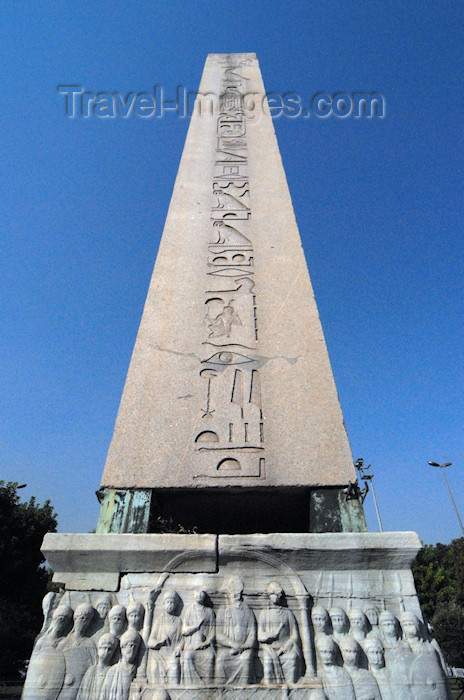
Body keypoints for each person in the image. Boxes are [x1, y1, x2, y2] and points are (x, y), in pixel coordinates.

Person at [257, 581, 304, 685]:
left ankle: (291, 687)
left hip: (285, 648)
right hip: (270, 649)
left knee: (292, 658)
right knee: (268, 661)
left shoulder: (288, 613)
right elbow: (260, 635)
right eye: (272, 594)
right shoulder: (264, 613)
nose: (275, 597)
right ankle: (270, 689)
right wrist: (272, 635)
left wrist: (286, 646)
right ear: (269, 596)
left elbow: (295, 635)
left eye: (277, 594)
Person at [215, 577, 257, 685]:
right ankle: (220, 691)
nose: (233, 594)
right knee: (220, 660)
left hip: (244, 649)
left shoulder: (248, 611)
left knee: (245, 660)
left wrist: (242, 647)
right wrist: (232, 644)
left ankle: (243, 692)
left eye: (236, 592)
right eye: (231, 591)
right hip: (227, 648)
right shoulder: (223, 610)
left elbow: (252, 635)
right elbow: (218, 634)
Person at [58, 603, 97, 700]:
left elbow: (95, 665)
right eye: (81, 618)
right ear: (75, 619)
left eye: (87, 619)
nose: (83, 622)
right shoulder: (64, 642)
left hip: (81, 688)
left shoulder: (89, 643)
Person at [147, 591, 183, 686]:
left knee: (175, 668)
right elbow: (150, 641)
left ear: (176, 605)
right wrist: (159, 642)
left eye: (172, 603)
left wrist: (178, 648)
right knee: (154, 667)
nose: (170, 605)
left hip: (171, 655)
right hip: (159, 655)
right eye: (168, 602)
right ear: (164, 604)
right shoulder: (159, 620)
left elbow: (182, 639)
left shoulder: (178, 621)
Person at [181, 588, 216, 685]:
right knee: (187, 656)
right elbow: (184, 630)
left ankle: (208, 687)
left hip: (204, 645)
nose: (199, 595)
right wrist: (195, 626)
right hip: (192, 645)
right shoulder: (189, 610)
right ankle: (190, 685)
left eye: (201, 593)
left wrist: (205, 643)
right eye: (196, 592)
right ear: (193, 594)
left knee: (210, 656)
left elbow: (212, 632)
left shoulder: (209, 612)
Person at [100, 629, 141, 700]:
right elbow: (104, 695)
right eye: (130, 645)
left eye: (135, 646)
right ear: (123, 647)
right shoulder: (113, 670)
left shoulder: (137, 669)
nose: (132, 649)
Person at [77, 633, 118, 700]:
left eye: (110, 649)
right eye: (104, 648)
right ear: (99, 649)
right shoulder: (91, 670)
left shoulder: (112, 671)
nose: (106, 652)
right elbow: (82, 694)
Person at [340, 635, 381, 700]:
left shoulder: (367, 676)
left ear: (358, 653)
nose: (351, 655)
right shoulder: (338, 675)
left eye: (354, 651)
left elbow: (377, 697)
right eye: (347, 651)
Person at [316, 635, 355, 700]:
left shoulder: (342, 673)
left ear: (334, 653)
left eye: (330, 652)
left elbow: (350, 696)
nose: (327, 656)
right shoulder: (318, 673)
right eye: (324, 652)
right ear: (318, 652)